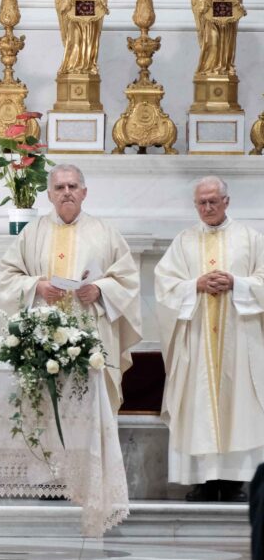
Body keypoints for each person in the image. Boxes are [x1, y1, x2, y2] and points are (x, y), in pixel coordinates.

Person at [0, 163, 142, 412]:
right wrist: (37, 287)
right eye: (59, 187)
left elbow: (127, 280)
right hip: (42, 340)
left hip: (91, 339)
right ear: (50, 195)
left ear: (84, 192)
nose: (66, 192)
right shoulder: (32, 233)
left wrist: (100, 290)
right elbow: (5, 278)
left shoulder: (106, 233)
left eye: (72, 186)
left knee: (91, 409)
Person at [155, 176, 264, 502]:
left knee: (239, 407)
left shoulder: (250, 238)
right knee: (198, 408)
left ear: (227, 202)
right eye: (201, 202)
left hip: (240, 341)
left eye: (213, 201)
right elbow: (165, 284)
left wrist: (237, 283)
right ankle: (202, 481)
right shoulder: (184, 241)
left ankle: (235, 481)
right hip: (198, 341)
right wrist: (195, 285)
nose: (207, 208)